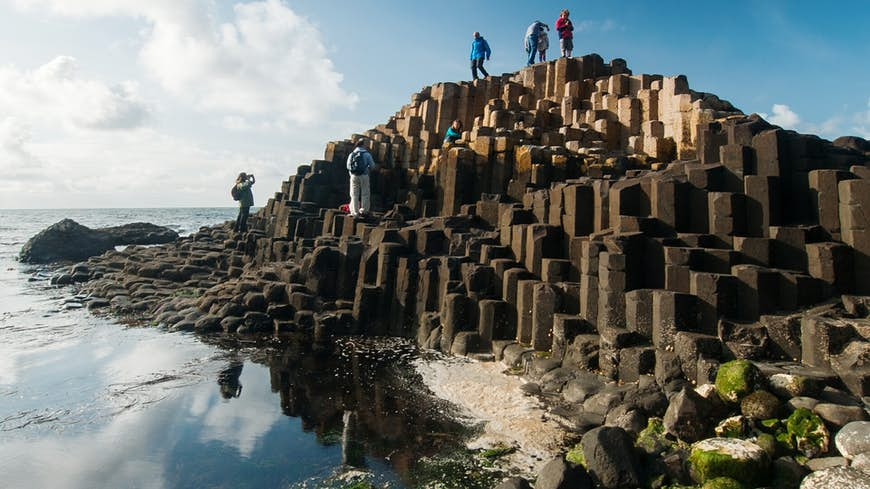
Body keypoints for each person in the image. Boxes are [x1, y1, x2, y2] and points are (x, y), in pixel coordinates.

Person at [346, 139, 375, 217]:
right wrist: (367, 169)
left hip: (353, 176)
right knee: (365, 193)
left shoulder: (352, 154)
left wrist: (352, 174)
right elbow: (372, 166)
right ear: (363, 145)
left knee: (354, 194)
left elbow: (348, 166)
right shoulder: (367, 154)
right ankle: (364, 210)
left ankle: (354, 212)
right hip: (364, 175)